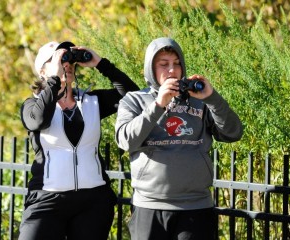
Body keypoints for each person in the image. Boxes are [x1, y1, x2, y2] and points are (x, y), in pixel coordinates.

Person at [115, 37, 243, 240]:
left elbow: (233, 133)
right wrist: (158, 105)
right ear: (150, 69)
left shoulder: (200, 101)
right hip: (149, 206)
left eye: (176, 64)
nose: (172, 70)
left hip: (196, 206)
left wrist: (212, 98)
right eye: (163, 65)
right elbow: (125, 140)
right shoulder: (134, 100)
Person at [18, 41, 139, 240]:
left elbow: (133, 95)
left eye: (69, 60)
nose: (66, 64)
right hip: (48, 198)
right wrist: (55, 80)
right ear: (42, 71)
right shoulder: (32, 106)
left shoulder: (92, 101)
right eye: (57, 59)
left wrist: (100, 63)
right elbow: (37, 121)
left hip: (93, 201)